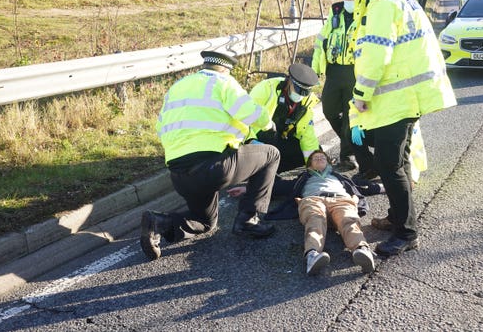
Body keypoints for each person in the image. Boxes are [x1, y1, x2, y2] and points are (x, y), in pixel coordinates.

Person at [349, 0, 457, 257]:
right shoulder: (404, 0)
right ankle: (398, 218)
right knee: (400, 160)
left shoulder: (381, 5)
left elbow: (376, 52)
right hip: (409, 96)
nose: (355, 1)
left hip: (395, 100)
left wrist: (361, 94)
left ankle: (407, 233)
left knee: (388, 165)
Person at [140, 50, 281, 261]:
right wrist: (269, 124)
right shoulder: (224, 82)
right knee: (271, 154)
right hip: (212, 167)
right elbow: (248, 111)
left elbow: (160, 127)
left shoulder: (178, 87)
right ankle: (248, 220)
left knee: (205, 223)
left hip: (179, 174)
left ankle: (160, 223)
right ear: (225, 69)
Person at [230, 149, 382, 275]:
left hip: (342, 200)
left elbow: (361, 188)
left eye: (323, 157)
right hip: (313, 200)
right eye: (316, 158)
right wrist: (246, 189)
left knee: (348, 220)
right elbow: (278, 186)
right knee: (315, 221)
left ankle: (362, 250)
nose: (320, 158)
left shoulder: (339, 177)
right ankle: (312, 255)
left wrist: (384, 187)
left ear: (329, 163)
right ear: (310, 165)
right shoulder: (303, 177)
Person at [312, 0, 359, 172]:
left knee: (350, 116)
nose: (348, 0)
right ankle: (356, 147)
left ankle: (347, 156)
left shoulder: (366, 13)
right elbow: (322, 39)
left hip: (354, 72)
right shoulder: (336, 10)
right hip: (333, 70)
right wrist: (315, 69)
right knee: (329, 111)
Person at [249, 63, 320, 173]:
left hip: (281, 138)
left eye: (304, 93)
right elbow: (244, 120)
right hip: (258, 138)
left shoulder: (306, 101)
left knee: (316, 153)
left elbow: (307, 135)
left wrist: (315, 166)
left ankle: (273, 169)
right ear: (289, 81)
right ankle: (258, 169)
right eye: (298, 90)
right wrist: (250, 140)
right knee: (268, 144)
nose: (300, 95)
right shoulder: (266, 89)